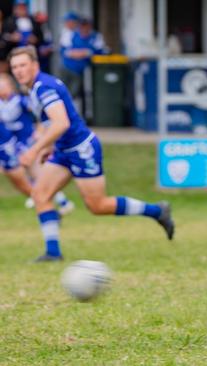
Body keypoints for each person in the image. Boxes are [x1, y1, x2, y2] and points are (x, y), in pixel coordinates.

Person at [8, 45, 175, 262]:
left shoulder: (43, 87)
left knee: (97, 206)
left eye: (23, 65)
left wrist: (34, 150)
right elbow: (50, 122)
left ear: (35, 65)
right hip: (63, 151)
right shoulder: (33, 88)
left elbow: (61, 123)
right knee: (40, 195)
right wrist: (48, 146)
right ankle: (53, 253)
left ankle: (157, 211)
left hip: (81, 150)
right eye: (14, 67)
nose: (19, 70)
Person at [0, 73, 74, 213]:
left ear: (10, 86)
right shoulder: (2, 104)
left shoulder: (20, 101)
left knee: (35, 174)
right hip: (15, 144)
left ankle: (59, 201)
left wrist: (40, 130)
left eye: (3, 85)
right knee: (30, 174)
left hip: (28, 142)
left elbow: (42, 113)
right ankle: (54, 200)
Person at [60, 17, 106, 117]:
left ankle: (77, 116)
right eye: (82, 26)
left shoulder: (95, 36)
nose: (84, 28)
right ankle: (64, 115)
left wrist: (84, 53)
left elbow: (99, 52)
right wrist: (82, 53)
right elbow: (65, 52)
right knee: (65, 92)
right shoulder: (72, 35)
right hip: (67, 68)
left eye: (87, 26)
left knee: (77, 93)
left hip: (84, 71)